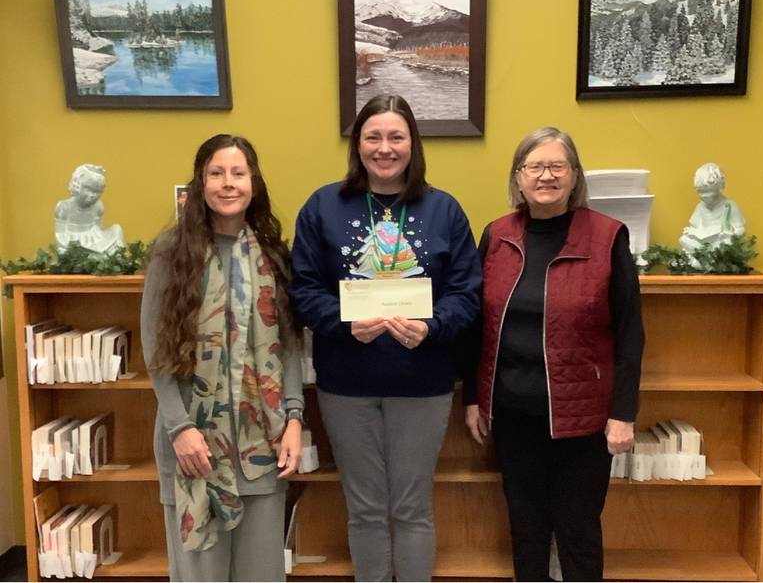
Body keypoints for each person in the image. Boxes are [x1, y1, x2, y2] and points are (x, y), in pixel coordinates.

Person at [290, 94, 481, 582]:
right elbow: (304, 290)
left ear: (413, 144)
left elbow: (467, 293)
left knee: (412, 507)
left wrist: (432, 327)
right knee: (366, 509)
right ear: (358, 145)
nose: (385, 148)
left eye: (396, 137)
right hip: (347, 385)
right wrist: (343, 322)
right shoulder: (323, 206)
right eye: (373, 137)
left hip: (423, 383)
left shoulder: (444, 210)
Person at [463, 126, 644, 581]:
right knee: (526, 531)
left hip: (582, 420)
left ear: (574, 175)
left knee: (578, 532)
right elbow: (477, 326)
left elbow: (630, 332)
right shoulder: (497, 236)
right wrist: (473, 397)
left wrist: (623, 413)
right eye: (535, 166)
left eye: (557, 166)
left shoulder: (607, 237)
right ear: (519, 178)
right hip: (512, 415)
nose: (546, 176)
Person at [141, 134, 304, 582]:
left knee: (261, 575)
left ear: (254, 182)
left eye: (238, 173)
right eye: (216, 173)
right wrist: (180, 428)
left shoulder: (273, 255)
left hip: (262, 445)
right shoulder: (171, 253)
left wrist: (293, 418)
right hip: (193, 448)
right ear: (200, 183)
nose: (227, 183)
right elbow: (155, 351)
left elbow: (288, 345)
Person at [679, 162, 745, 260]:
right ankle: (702, 257)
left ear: (720, 187)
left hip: (719, 241)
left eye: (709, 192)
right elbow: (695, 225)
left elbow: (740, 229)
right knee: (683, 239)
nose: (704, 196)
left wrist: (731, 233)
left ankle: (707, 258)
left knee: (727, 243)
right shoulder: (701, 206)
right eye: (700, 192)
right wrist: (690, 231)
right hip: (702, 241)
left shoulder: (729, 205)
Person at [54, 163, 125, 253]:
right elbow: (59, 236)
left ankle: (113, 257)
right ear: (77, 185)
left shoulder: (98, 207)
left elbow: (99, 230)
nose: (93, 195)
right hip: (73, 241)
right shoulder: (64, 207)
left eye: (97, 192)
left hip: (94, 239)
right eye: (88, 189)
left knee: (116, 229)